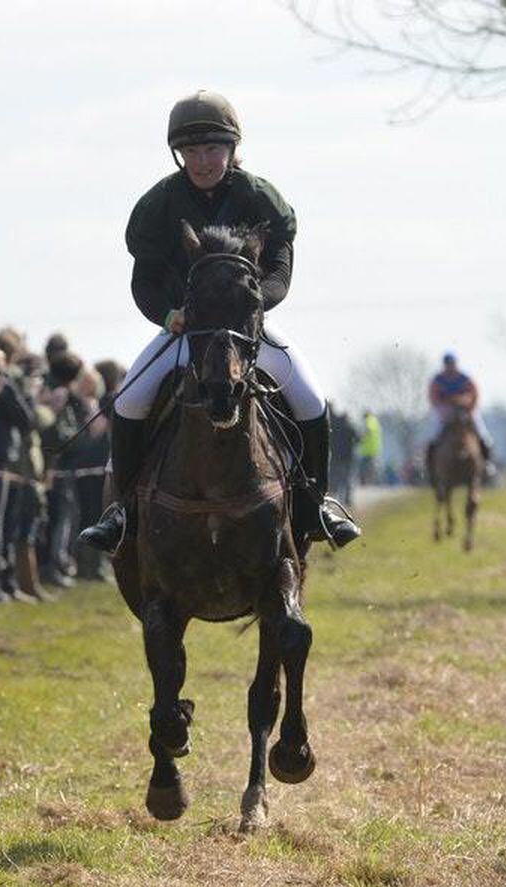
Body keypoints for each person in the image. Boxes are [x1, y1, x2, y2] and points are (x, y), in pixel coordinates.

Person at [79, 90, 360, 554]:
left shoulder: (260, 199)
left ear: (232, 150)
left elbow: (280, 274)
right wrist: (169, 315)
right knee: (129, 400)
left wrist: (248, 308)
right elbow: (144, 284)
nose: (203, 160)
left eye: (212, 149)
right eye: (192, 151)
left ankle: (316, 505)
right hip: (184, 330)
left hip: (246, 329)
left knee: (310, 399)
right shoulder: (158, 207)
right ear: (179, 155)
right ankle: (122, 511)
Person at [426, 352, 494, 472]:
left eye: (452, 364)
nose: (450, 367)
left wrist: (469, 408)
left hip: (465, 410)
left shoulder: (465, 378)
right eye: (448, 364)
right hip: (445, 411)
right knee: (433, 436)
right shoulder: (438, 380)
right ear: (444, 365)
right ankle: (430, 466)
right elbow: (433, 398)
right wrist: (443, 409)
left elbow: (475, 395)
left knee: (482, 433)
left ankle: (487, 463)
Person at [357, 409, 382, 485]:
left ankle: (365, 482)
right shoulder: (375, 421)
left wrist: (361, 438)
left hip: (368, 450)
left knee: (364, 467)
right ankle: (372, 481)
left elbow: (368, 430)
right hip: (374, 449)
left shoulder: (369, 420)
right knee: (371, 467)